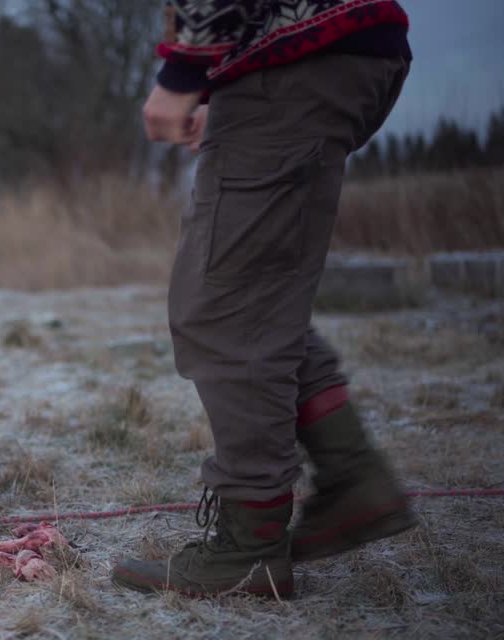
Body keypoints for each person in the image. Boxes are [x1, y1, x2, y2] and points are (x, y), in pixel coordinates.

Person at [111, 0, 417, 598]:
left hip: (299, 62)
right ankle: (353, 478)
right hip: (321, 55)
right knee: (257, 304)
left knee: (225, 312)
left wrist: (183, 70)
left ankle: (250, 548)